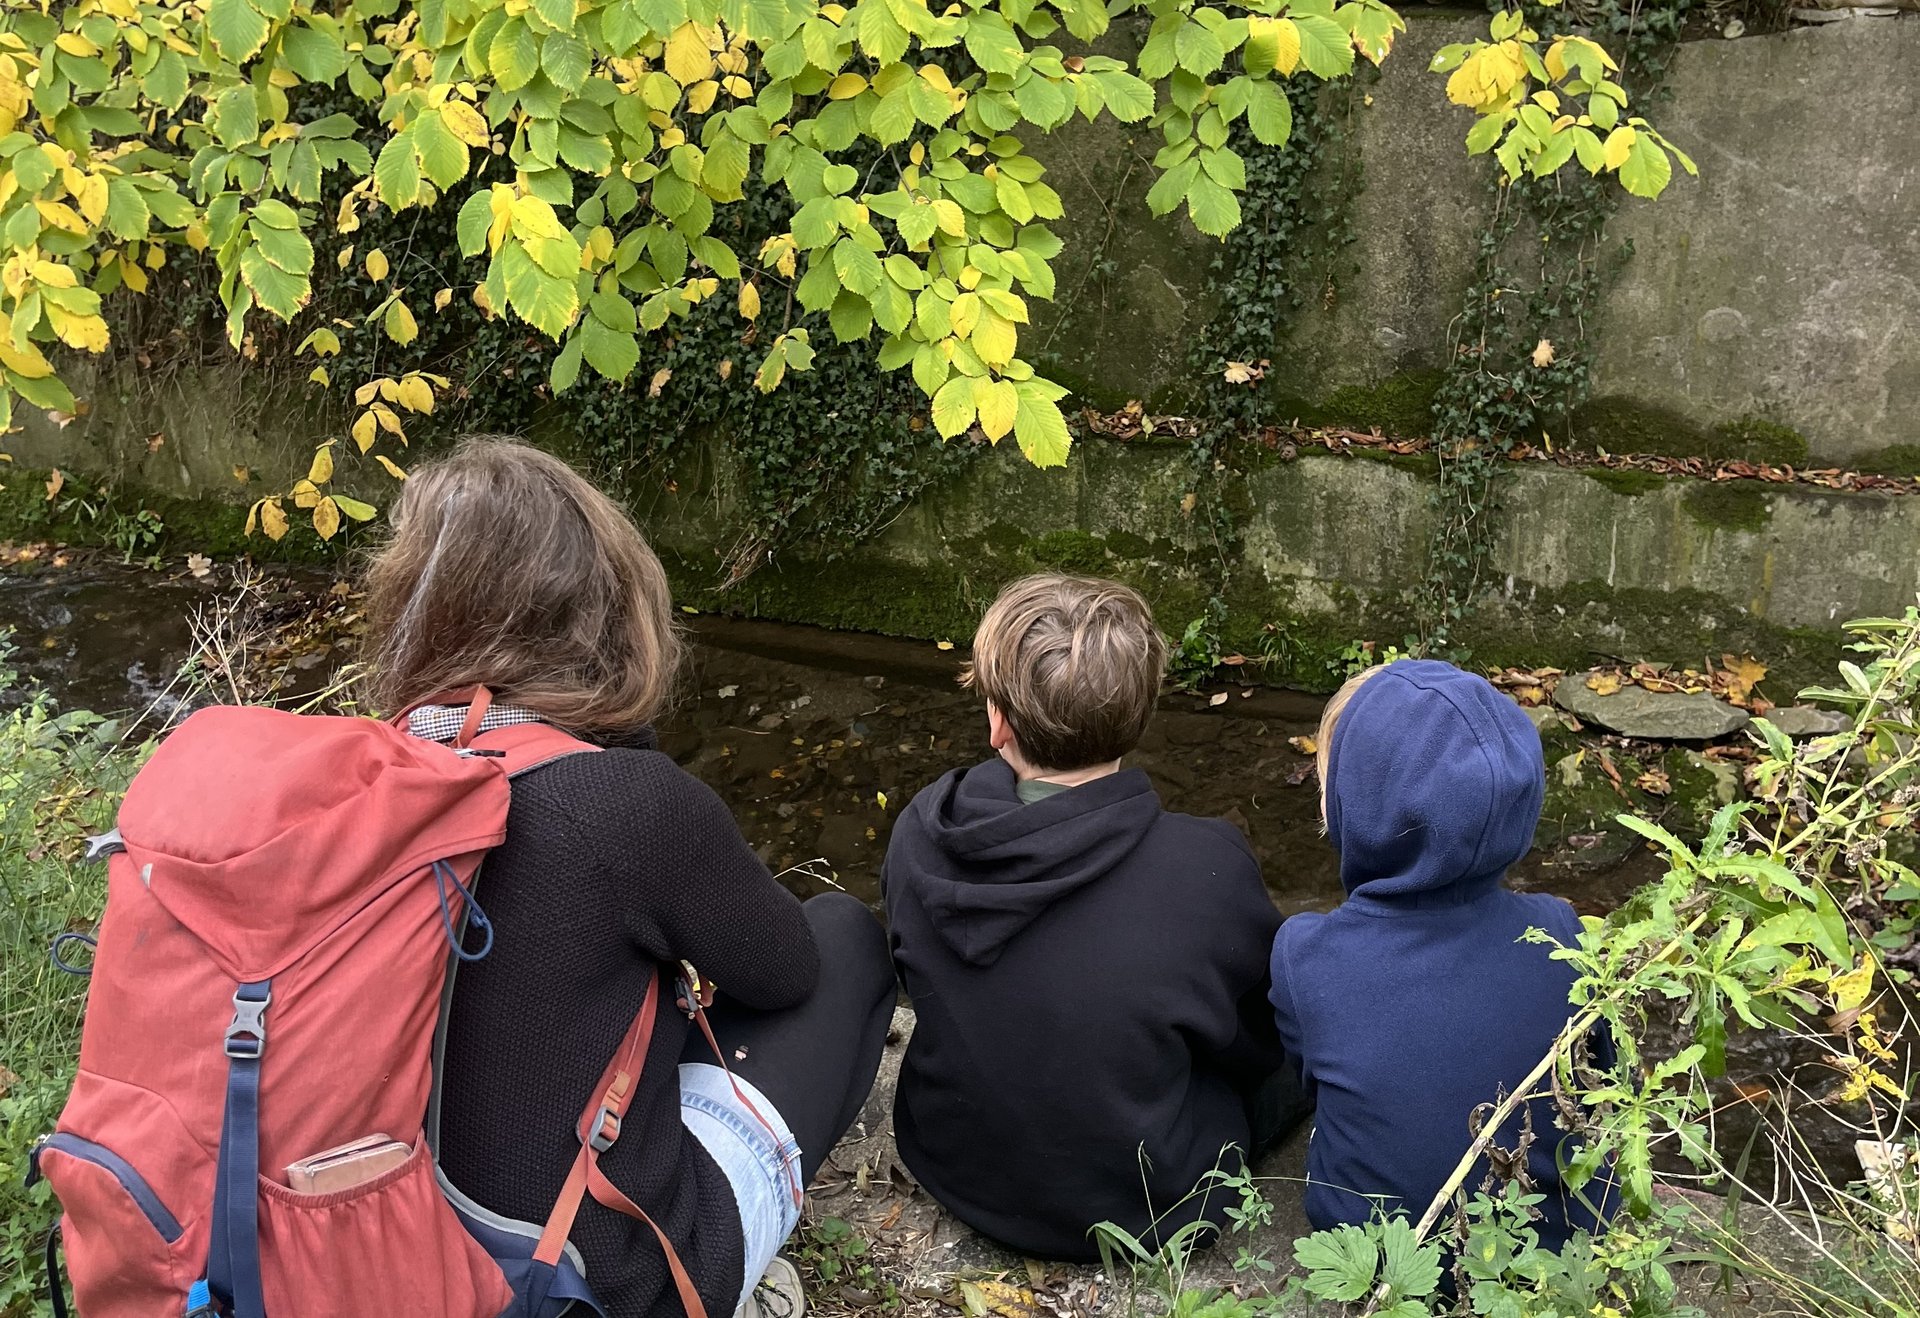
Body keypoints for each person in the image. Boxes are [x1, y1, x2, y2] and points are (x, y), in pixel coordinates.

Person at [363, 436, 896, 1318]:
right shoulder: (619, 801)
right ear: (601, 614)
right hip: (584, 1285)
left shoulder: (371, 771)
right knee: (842, 937)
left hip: (380, 1238)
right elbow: (782, 969)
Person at [882, 573, 1307, 1261]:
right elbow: (1256, 1043)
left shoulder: (921, 832)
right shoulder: (1207, 869)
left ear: (997, 721)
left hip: (956, 1168)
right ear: (1139, 718)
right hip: (1149, 1208)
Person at [1270, 660, 1617, 1250]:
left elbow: (1314, 1082)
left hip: (1380, 1257)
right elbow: (1598, 1080)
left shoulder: (1306, 954)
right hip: (1557, 1250)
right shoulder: (1563, 930)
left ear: (1358, 809)